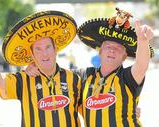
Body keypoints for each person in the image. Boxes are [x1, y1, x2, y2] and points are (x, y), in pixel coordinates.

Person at [26, 8, 154, 127]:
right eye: (108, 46)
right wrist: (33, 65)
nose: (112, 51)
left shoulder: (128, 77)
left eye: (118, 49)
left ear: (124, 56)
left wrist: (142, 42)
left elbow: (141, 66)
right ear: (100, 51)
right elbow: (55, 75)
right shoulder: (83, 76)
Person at [0, 11, 82, 127]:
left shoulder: (74, 79)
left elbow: (90, 113)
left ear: (55, 49)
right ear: (32, 55)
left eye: (48, 47)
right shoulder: (24, 79)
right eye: (38, 49)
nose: (44, 54)